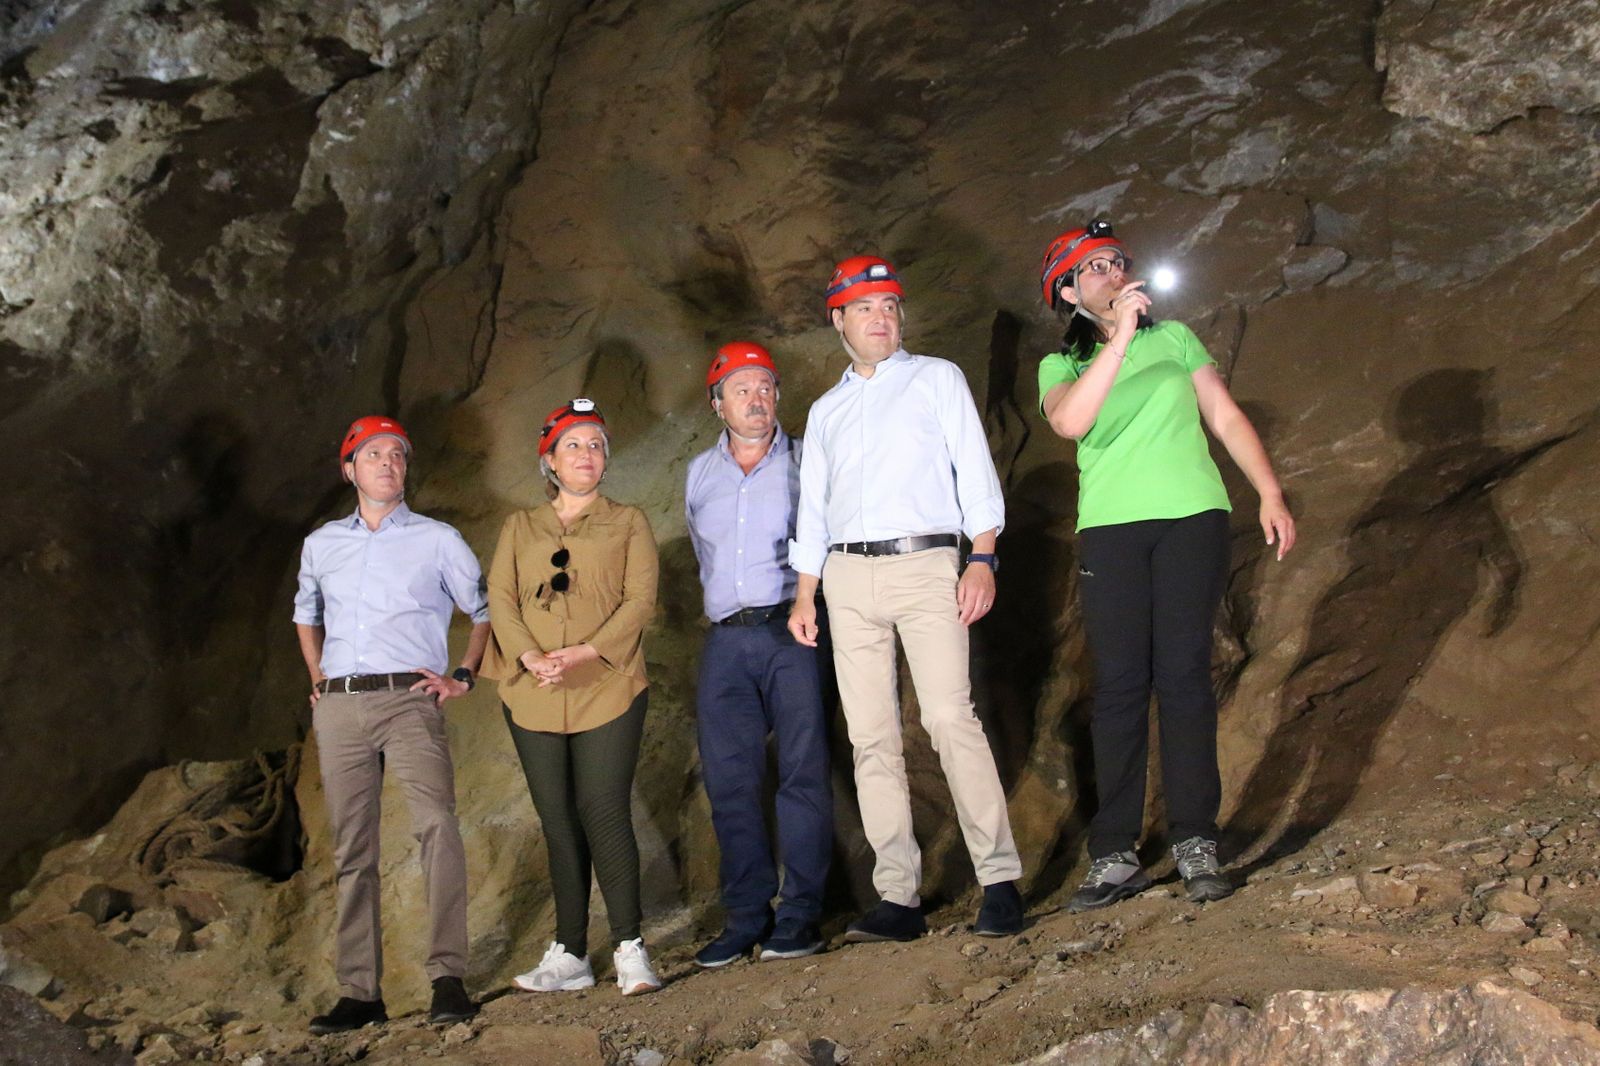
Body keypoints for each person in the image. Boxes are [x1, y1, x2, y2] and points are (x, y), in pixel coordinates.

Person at [1036, 219, 1297, 912]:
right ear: (1067, 291)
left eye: (1119, 262)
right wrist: (1118, 336)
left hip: (1191, 519)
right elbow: (1071, 423)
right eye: (1095, 268)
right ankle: (1115, 852)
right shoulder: (1060, 366)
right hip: (1112, 533)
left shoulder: (1177, 340)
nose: (1115, 273)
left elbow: (1225, 416)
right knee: (1120, 686)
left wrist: (1270, 492)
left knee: (1183, 676)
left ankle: (1194, 842)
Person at [788, 255, 1025, 943]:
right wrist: (807, 595)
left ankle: (1000, 879)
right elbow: (814, 512)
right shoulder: (826, 410)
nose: (882, 317)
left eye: (890, 305)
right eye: (866, 307)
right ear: (838, 319)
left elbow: (976, 475)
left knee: (950, 718)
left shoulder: (935, 379)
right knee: (871, 739)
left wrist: (981, 557)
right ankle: (898, 897)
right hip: (847, 577)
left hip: (927, 564)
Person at [293, 415, 488, 1034]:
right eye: (373, 454)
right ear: (349, 469)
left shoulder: (437, 538)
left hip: (408, 697)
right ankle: (360, 993)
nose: (388, 464)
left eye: (397, 455)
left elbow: (482, 611)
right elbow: (305, 614)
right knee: (353, 846)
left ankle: (448, 979)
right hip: (342, 704)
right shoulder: (322, 543)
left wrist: (463, 674)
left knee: (437, 827)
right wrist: (319, 680)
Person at [480, 399, 662, 996]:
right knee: (558, 822)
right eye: (574, 444)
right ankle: (571, 953)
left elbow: (639, 602)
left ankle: (630, 947)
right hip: (532, 689)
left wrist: (583, 653)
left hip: (605, 684)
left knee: (604, 810)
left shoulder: (629, 521)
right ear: (549, 459)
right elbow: (500, 598)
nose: (587, 454)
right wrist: (530, 656)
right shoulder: (519, 527)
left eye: (596, 445)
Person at [685, 341, 833, 967]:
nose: (758, 398)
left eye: (766, 387)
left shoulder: (807, 461)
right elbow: (702, 550)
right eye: (742, 389)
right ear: (718, 403)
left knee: (801, 773)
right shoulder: (698, 473)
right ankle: (747, 915)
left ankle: (798, 915)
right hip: (726, 639)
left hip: (790, 630)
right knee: (731, 783)